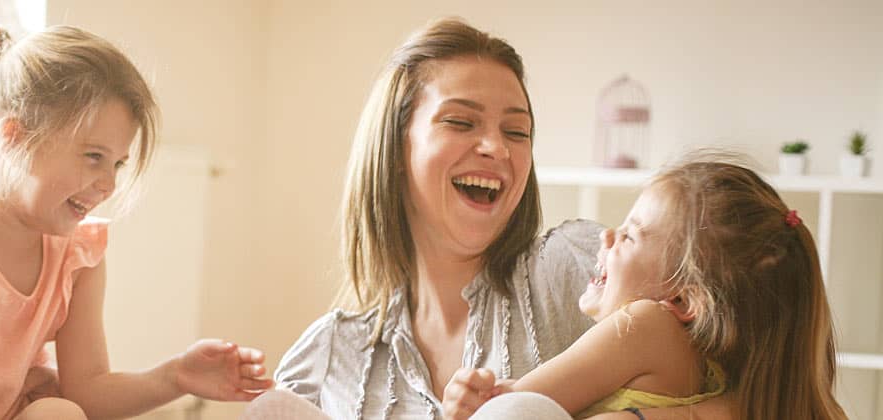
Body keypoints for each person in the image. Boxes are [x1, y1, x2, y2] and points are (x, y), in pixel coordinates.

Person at [267, 18, 728, 419]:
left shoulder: (578, 267)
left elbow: (764, 384)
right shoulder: (328, 355)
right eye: (461, 122)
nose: (497, 148)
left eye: (516, 131)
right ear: (395, 148)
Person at [0, 26, 273, 420]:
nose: (108, 183)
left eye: (118, 164)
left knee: (61, 412)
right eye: (93, 156)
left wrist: (174, 377)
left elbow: (87, 389)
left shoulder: (78, 256)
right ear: (13, 137)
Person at [445, 154, 847, 419]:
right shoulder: (718, 374)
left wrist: (467, 402)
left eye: (630, 236)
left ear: (682, 298)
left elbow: (515, 403)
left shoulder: (645, 324)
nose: (606, 238)